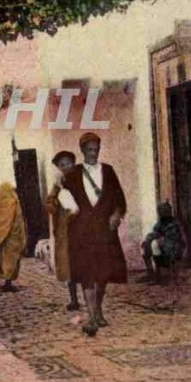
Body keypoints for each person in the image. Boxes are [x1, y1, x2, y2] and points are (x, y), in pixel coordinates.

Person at [64, 133, 127, 337]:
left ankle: (97, 307)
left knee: (104, 274)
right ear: (82, 151)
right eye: (90, 150)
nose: (93, 153)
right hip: (81, 234)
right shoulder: (72, 174)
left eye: (96, 149)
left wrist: (116, 215)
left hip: (104, 232)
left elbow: (119, 199)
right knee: (87, 273)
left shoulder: (108, 171)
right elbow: (63, 200)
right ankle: (92, 317)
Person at [46, 150, 82, 311]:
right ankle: (74, 299)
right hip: (65, 230)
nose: (66, 167)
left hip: (83, 228)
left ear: (73, 164)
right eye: (62, 165)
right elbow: (49, 204)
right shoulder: (58, 185)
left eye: (68, 163)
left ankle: (93, 300)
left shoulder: (83, 181)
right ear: (59, 168)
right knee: (69, 266)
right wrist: (57, 203)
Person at [0, 182, 27, 292]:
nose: (14, 194)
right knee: (9, 260)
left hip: (8, 237)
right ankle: (8, 283)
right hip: (9, 238)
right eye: (12, 191)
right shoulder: (11, 203)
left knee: (8, 260)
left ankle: (7, 281)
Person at [141, 201, 185, 282]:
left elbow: (174, 239)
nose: (162, 213)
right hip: (162, 248)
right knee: (145, 245)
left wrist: (160, 239)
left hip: (173, 249)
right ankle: (151, 274)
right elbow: (156, 232)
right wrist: (149, 237)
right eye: (160, 211)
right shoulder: (160, 223)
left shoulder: (174, 224)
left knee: (154, 244)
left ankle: (158, 276)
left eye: (164, 211)